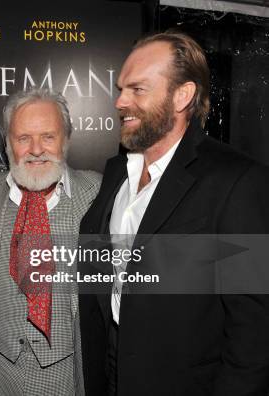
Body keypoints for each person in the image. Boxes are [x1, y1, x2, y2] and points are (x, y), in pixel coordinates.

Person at [78, 30, 269, 396]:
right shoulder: (117, 172)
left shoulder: (238, 181)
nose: (120, 102)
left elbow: (255, 336)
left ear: (182, 95)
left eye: (137, 90)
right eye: (120, 89)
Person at [0, 88, 101, 395]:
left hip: (67, 375)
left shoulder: (96, 192)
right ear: (8, 142)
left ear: (65, 138)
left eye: (48, 137)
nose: (36, 149)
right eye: (23, 138)